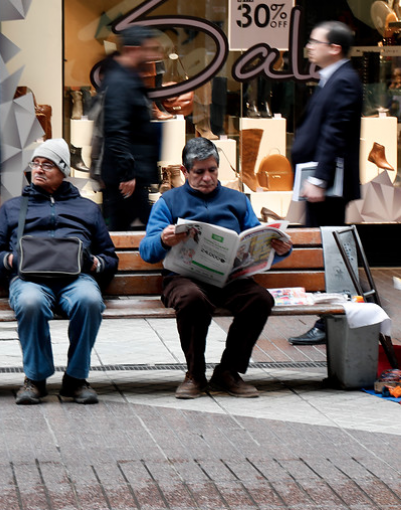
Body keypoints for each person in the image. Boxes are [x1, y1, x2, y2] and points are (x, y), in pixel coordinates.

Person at [139, 138, 293, 399]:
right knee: (192, 299)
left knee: (260, 299)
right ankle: (195, 375)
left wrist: (279, 248)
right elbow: (147, 251)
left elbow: (255, 240)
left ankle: (228, 372)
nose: (207, 177)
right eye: (199, 172)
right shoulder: (169, 201)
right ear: (185, 172)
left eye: (212, 170)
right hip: (184, 278)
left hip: (228, 278)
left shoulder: (238, 200)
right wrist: (163, 239)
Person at [0, 139, 119, 405]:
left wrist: (94, 264)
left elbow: (109, 259)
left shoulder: (87, 209)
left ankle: (76, 379)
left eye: (48, 165)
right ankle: (35, 378)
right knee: (29, 302)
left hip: (76, 279)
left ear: (63, 171)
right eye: (36, 163)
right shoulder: (14, 208)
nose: (39, 169)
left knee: (89, 301)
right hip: (29, 280)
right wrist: (10, 260)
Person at [288, 21, 362, 346]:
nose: (309, 47)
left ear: (335, 48)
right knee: (326, 250)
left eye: (315, 42)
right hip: (321, 184)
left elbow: (335, 132)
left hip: (327, 188)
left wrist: (319, 179)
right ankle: (335, 314)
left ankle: (332, 318)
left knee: (329, 253)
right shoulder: (331, 78)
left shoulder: (344, 80)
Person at [97, 26, 162, 231]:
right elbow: (116, 130)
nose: (152, 56)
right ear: (133, 50)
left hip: (133, 175)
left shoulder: (129, 78)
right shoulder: (119, 82)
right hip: (126, 178)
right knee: (132, 230)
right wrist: (127, 173)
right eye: (148, 50)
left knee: (133, 229)